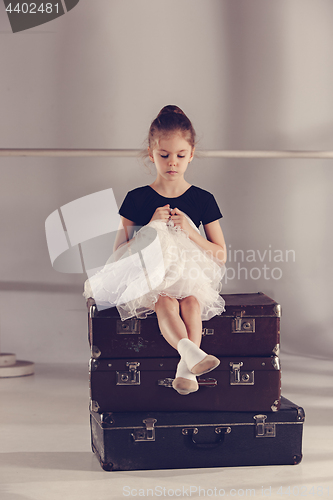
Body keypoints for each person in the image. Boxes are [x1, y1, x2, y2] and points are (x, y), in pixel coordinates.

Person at [84, 105, 227, 396]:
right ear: (151, 154)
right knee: (165, 302)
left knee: (191, 304)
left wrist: (190, 231)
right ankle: (190, 355)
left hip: (189, 275)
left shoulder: (203, 199)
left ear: (192, 153)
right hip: (151, 277)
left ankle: (187, 368)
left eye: (180, 155)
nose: (172, 163)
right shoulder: (136, 199)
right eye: (164, 155)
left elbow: (220, 254)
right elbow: (119, 251)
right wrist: (149, 227)